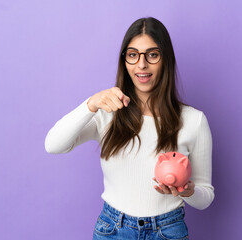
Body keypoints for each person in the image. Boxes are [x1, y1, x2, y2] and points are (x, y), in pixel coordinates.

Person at [45, 17, 214, 240]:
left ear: (166, 60)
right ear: (124, 60)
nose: (141, 65)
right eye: (133, 55)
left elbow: (206, 196)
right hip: (112, 230)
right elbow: (54, 145)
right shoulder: (107, 113)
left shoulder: (193, 120)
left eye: (152, 55)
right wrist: (90, 104)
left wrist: (188, 191)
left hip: (168, 230)